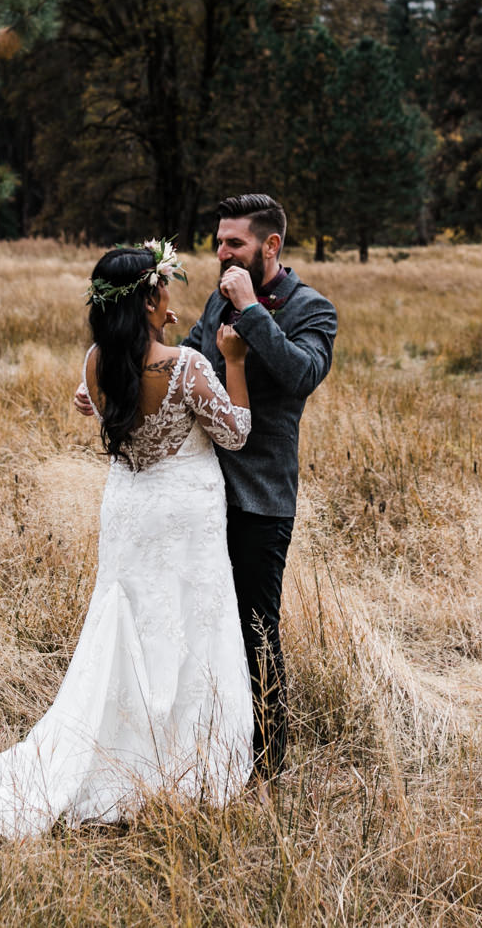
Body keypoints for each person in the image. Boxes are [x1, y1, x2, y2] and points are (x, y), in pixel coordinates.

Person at [0, 241, 256, 839]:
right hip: (182, 515)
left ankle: (113, 748)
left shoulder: (97, 361)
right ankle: (188, 765)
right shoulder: (187, 366)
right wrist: (233, 359)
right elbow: (236, 434)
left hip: (128, 510)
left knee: (128, 620)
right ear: (152, 297)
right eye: (164, 289)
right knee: (190, 623)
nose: (172, 297)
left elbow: (112, 413)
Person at [78, 194, 337, 778]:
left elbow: (300, 376)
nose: (222, 253)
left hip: (259, 496)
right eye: (219, 242)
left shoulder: (313, 310)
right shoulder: (216, 303)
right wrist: (115, 386)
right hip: (193, 497)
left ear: (271, 246)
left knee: (255, 626)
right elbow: (182, 369)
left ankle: (267, 761)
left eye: (234, 244)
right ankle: (195, 746)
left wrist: (250, 313)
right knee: (197, 625)